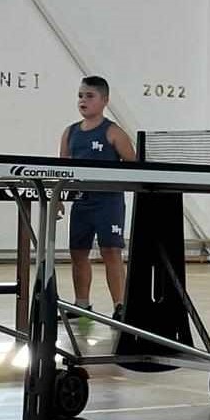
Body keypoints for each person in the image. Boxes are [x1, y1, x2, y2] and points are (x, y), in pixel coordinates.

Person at [59, 76, 135, 321]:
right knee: (78, 252)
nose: (83, 100)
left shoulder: (113, 132)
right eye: (80, 96)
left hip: (108, 202)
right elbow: (62, 169)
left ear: (105, 101)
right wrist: (58, 198)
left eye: (90, 96)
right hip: (81, 202)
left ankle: (121, 306)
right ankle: (82, 305)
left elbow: (134, 166)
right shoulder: (70, 133)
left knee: (111, 251)